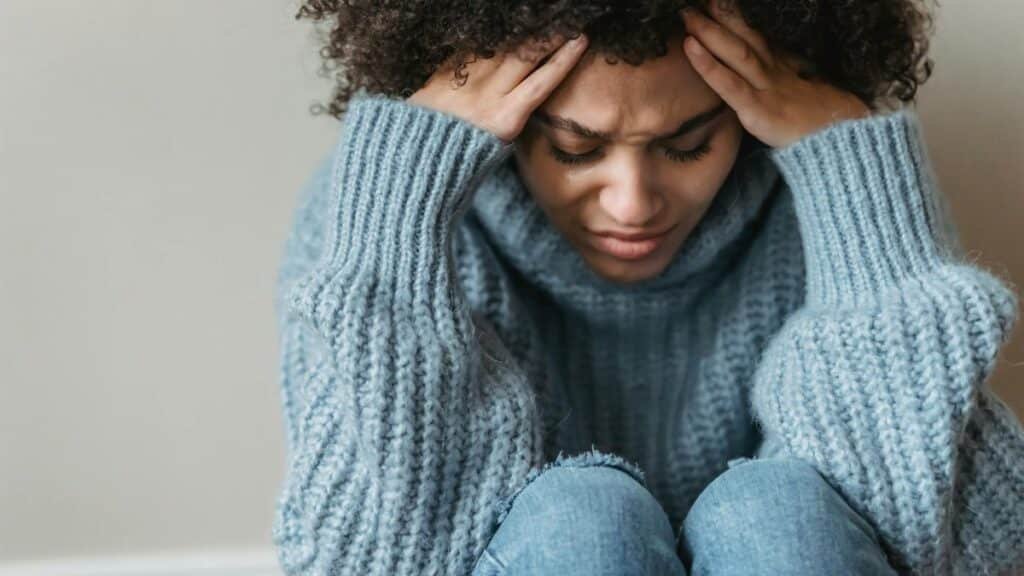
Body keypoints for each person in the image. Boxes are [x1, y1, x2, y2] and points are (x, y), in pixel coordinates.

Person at [271, 0, 1024, 574]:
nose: (632, 203)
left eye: (689, 143)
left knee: (775, 514)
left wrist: (851, 169)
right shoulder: (390, 215)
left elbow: (955, 551)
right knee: (581, 519)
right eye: (575, 148)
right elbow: (370, 558)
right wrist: (400, 213)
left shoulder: (842, 192)